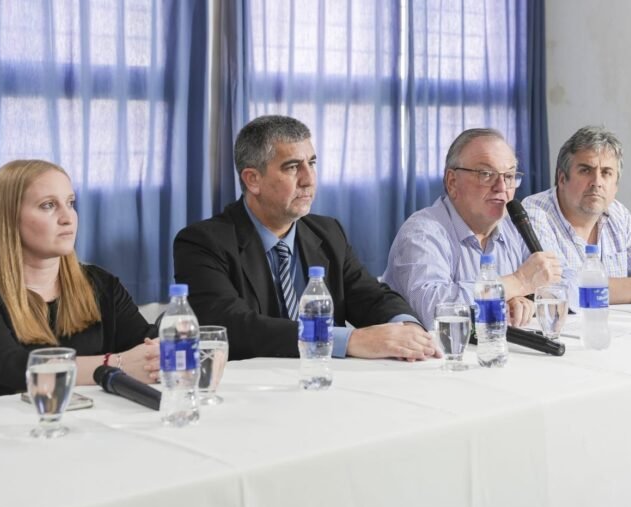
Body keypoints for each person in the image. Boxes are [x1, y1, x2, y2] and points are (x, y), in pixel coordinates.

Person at [173, 115, 438, 361]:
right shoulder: (202, 242)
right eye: (291, 167)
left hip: (324, 384)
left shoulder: (328, 232)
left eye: (311, 163)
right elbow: (232, 326)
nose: (309, 179)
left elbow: (371, 297)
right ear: (253, 180)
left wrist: (407, 328)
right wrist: (348, 340)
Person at [0, 160, 160, 400]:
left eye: (70, 203)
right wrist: (113, 364)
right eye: (48, 205)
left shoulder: (101, 285)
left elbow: (148, 342)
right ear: (8, 219)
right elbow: (10, 369)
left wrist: (176, 353)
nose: (67, 218)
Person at [382, 128, 562, 327]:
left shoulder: (514, 225)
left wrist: (524, 302)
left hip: (496, 348)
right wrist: (517, 283)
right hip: (438, 354)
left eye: (509, 176)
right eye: (486, 174)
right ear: (452, 182)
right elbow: (435, 309)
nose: (502, 187)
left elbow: (559, 281)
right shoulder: (422, 233)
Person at [522, 126, 631, 305]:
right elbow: (562, 290)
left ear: (616, 185)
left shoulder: (618, 214)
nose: (597, 182)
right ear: (562, 179)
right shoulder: (534, 214)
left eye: (606, 173)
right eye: (585, 170)